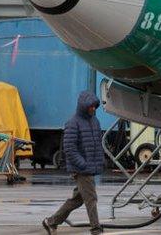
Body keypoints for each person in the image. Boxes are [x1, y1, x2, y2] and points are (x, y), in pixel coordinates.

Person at [43, 91, 105, 234]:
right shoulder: (73, 123)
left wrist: (100, 160)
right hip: (81, 169)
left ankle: (51, 221)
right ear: (84, 106)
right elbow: (69, 148)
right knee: (91, 198)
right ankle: (96, 229)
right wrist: (82, 164)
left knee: (78, 200)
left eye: (95, 106)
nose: (93, 109)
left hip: (90, 167)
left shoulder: (95, 121)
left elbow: (98, 144)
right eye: (91, 106)